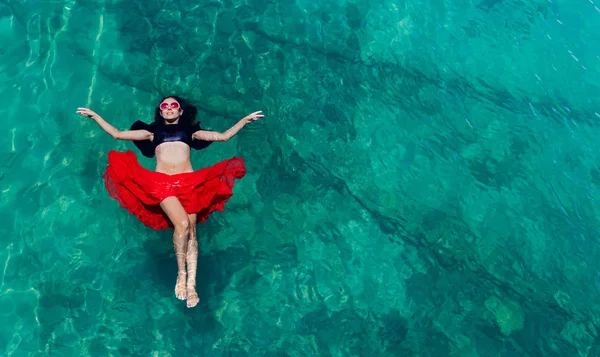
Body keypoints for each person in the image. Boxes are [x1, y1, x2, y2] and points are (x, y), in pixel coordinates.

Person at [77, 96, 264, 308]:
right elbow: (117, 134)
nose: (168, 108)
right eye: (164, 106)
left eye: (173, 105)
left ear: (180, 111)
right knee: (182, 224)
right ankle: (180, 273)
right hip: (161, 184)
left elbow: (223, 137)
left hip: (190, 183)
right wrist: (95, 116)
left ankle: (192, 285)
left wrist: (244, 120)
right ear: (160, 111)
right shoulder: (151, 133)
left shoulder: (190, 132)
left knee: (192, 231)